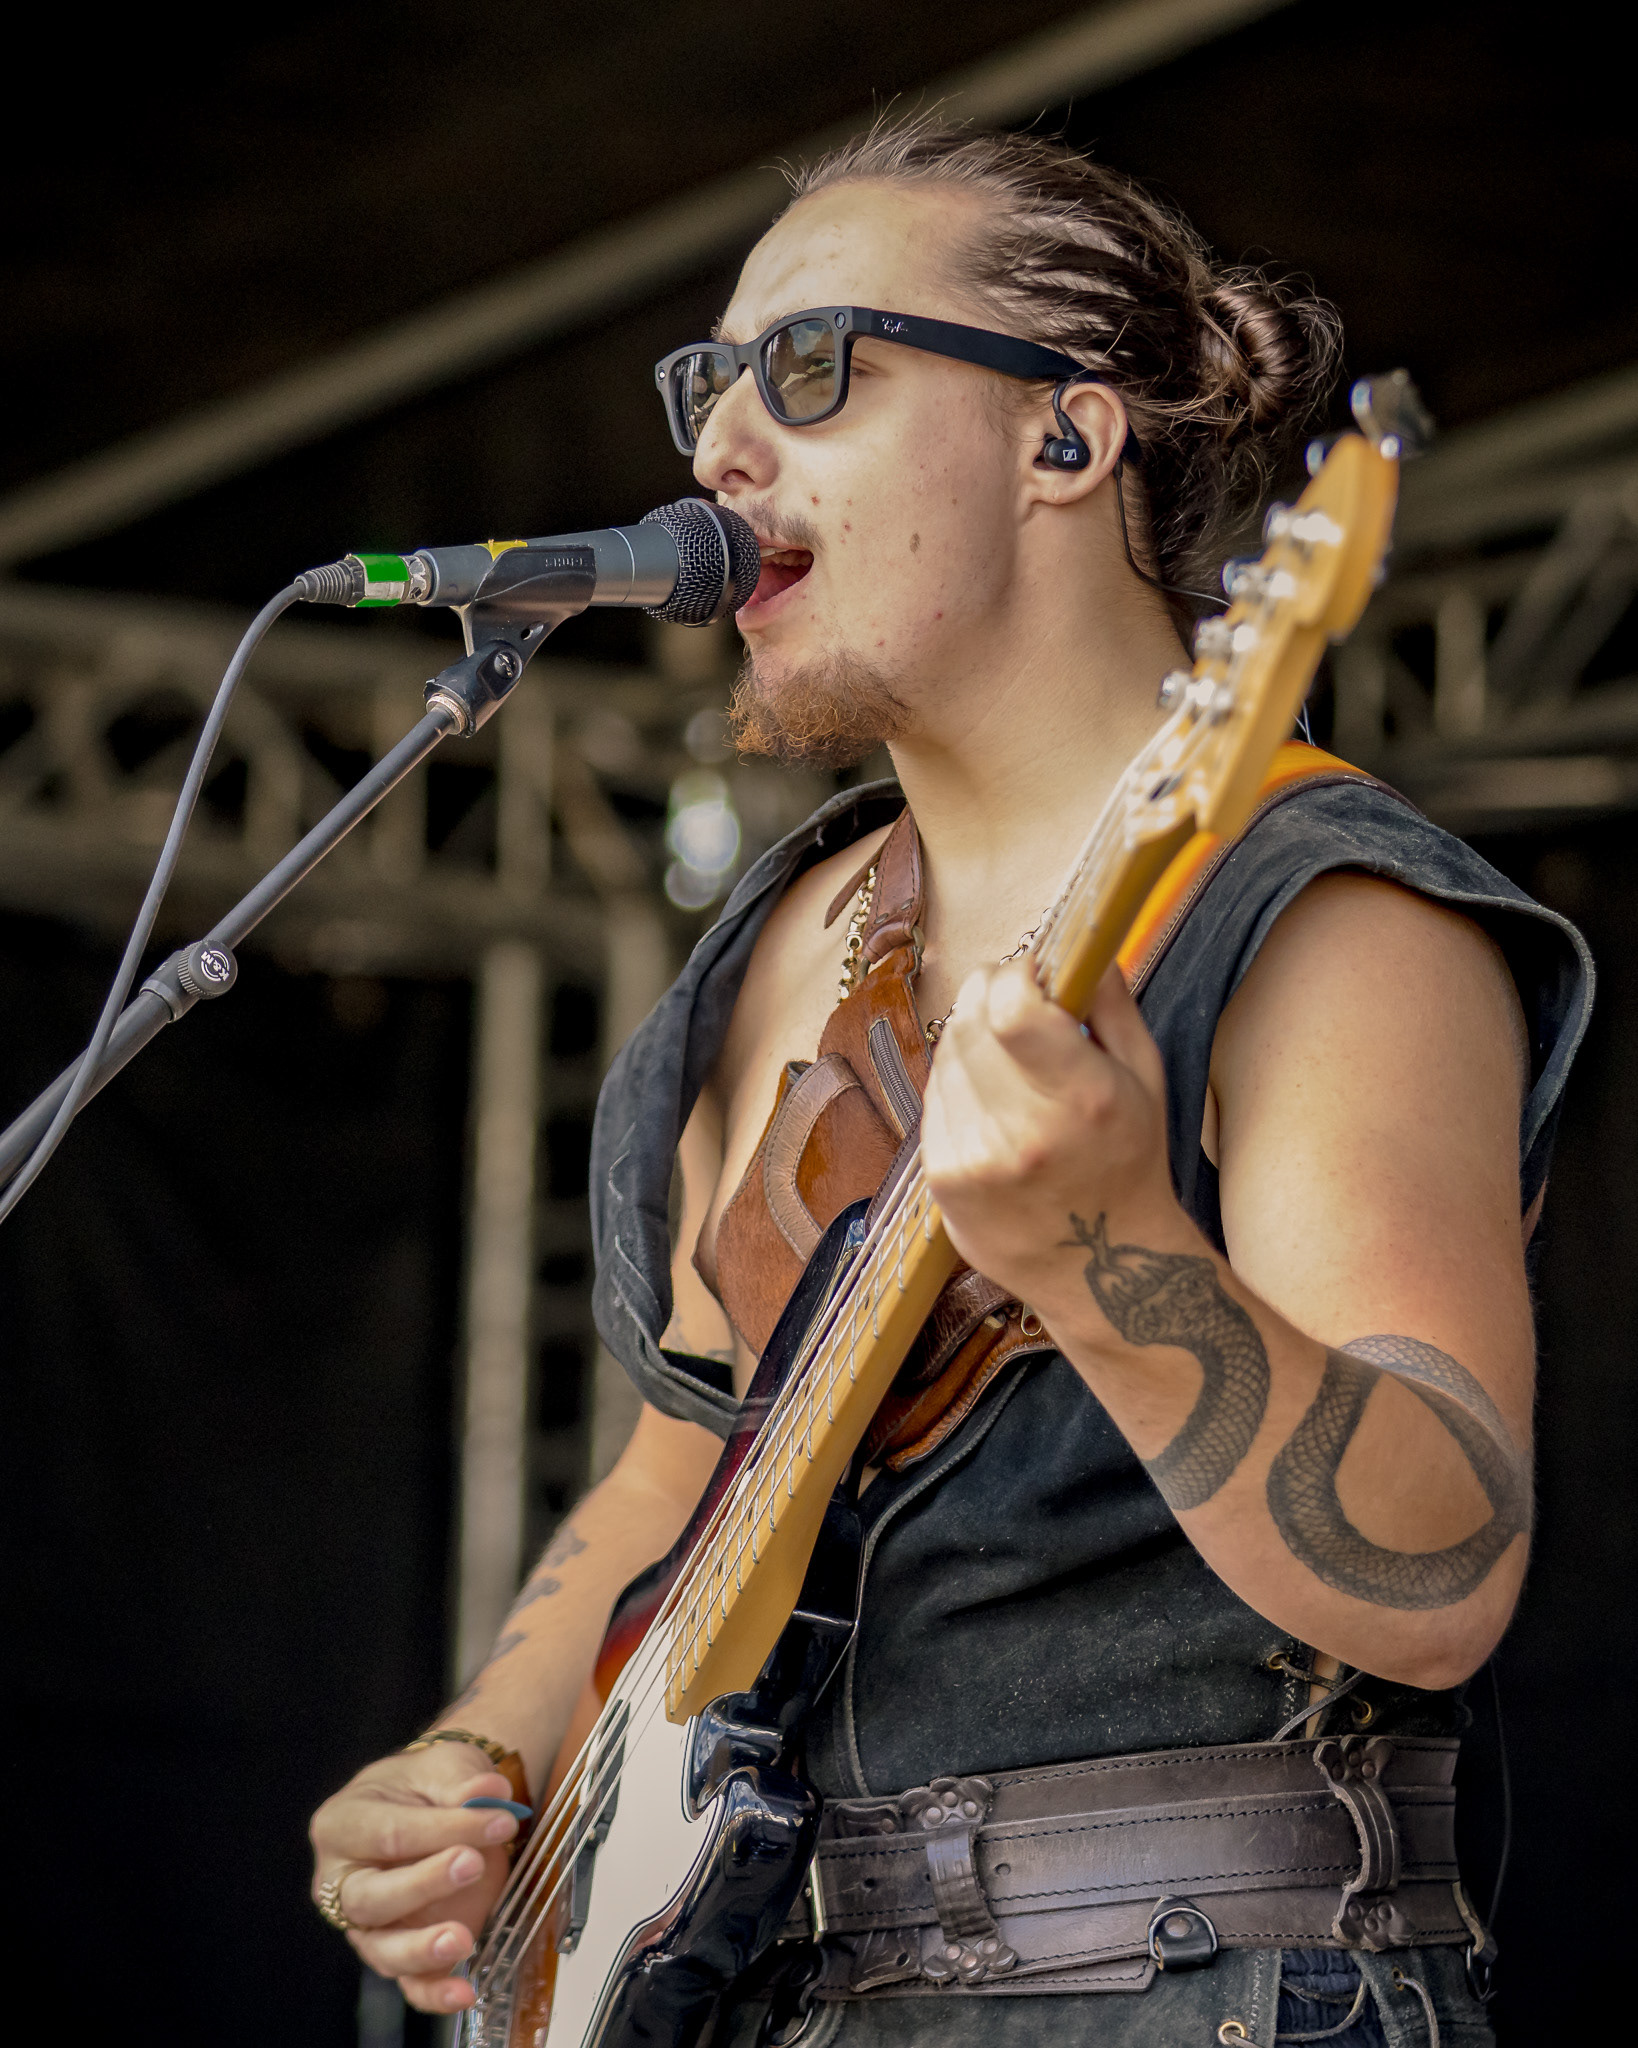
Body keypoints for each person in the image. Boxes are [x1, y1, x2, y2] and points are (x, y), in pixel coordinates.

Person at [309, 123, 1591, 2044]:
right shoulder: (791, 933)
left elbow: (1436, 1568)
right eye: (708, 380)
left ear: (1064, 441)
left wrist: (1109, 1253)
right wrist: (482, 1757)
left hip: (1185, 1982)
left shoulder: (1321, 911)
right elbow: (687, 1460)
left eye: (811, 367)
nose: (720, 447)